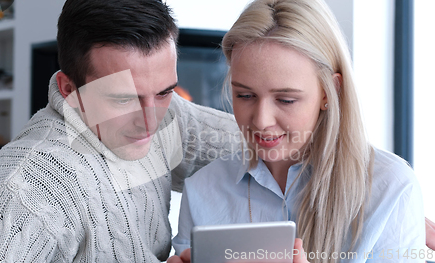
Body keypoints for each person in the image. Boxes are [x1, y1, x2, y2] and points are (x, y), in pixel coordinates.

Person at [0, 0, 242, 262]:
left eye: (165, 92)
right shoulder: (21, 190)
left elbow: (266, 145)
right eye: (123, 99)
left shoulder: (163, 112)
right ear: (70, 90)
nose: (151, 121)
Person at [169, 0, 426, 262]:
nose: (261, 121)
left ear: (330, 92)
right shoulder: (203, 189)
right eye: (245, 95)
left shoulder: (389, 189)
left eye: (286, 100)